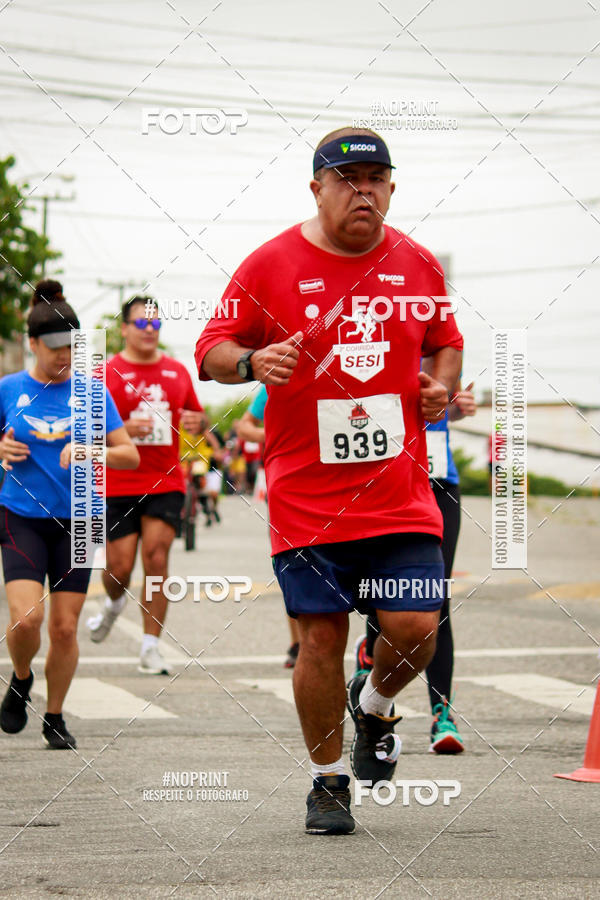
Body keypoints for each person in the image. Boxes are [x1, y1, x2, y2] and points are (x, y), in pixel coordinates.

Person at [195, 127, 463, 835]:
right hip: (307, 501)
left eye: (376, 177)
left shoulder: (417, 264)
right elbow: (212, 350)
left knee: (416, 627)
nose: (363, 189)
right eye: (347, 178)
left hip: (400, 495)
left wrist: (440, 388)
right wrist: (251, 364)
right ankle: (328, 781)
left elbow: (446, 342)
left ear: (392, 188)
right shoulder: (272, 263)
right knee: (320, 638)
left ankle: (373, 707)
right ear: (317, 188)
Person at [0, 280, 138, 749]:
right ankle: (21, 678)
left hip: (80, 518)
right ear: (33, 344)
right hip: (20, 515)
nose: (64, 356)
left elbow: (130, 456)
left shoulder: (94, 393)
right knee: (26, 621)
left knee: (63, 626)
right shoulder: (9, 389)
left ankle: (54, 716)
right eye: (54, 347)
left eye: (71, 347)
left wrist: (89, 448)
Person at [354, 379, 476, 753]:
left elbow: (439, 414)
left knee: (436, 599)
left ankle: (442, 715)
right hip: (391, 478)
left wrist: (455, 408)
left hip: (439, 480)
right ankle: (372, 656)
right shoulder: (380, 335)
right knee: (385, 590)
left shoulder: (445, 343)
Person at [86, 296, 205, 675]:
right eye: (141, 323)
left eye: (156, 323)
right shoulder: (104, 373)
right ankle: (114, 603)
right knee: (119, 568)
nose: (150, 330)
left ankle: (151, 645)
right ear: (123, 329)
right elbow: (85, 430)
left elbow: (196, 416)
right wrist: (118, 431)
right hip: (118, 482)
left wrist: (197, 423)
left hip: (166, 479)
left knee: (157, 557)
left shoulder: (177, 371)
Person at [237, 386, 300, 668]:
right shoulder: (275, 381)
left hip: (338, 481)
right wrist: (276, 432)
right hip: (287, 483)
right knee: (293, 562)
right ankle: (298, 642)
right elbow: (244, 426)